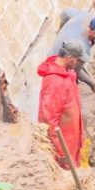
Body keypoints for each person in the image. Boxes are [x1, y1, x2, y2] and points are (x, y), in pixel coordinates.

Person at [37, 40, 88, 170]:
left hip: (73, 136)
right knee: (66, 172)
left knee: (74, 166)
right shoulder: (55, 81)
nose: (77, 64)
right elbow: (49, 120)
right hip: (64, 141)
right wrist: (60, 150)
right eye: (77, 60)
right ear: (70, 58)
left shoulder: (68, 73)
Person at [48, 8, 95, 92]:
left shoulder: (85, 16)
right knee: (66, 86)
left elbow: (65, 13)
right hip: (55, 66)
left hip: (63, 51)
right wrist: (92, 84)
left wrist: (61, 29)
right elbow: (76, 71)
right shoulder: (81, 46)